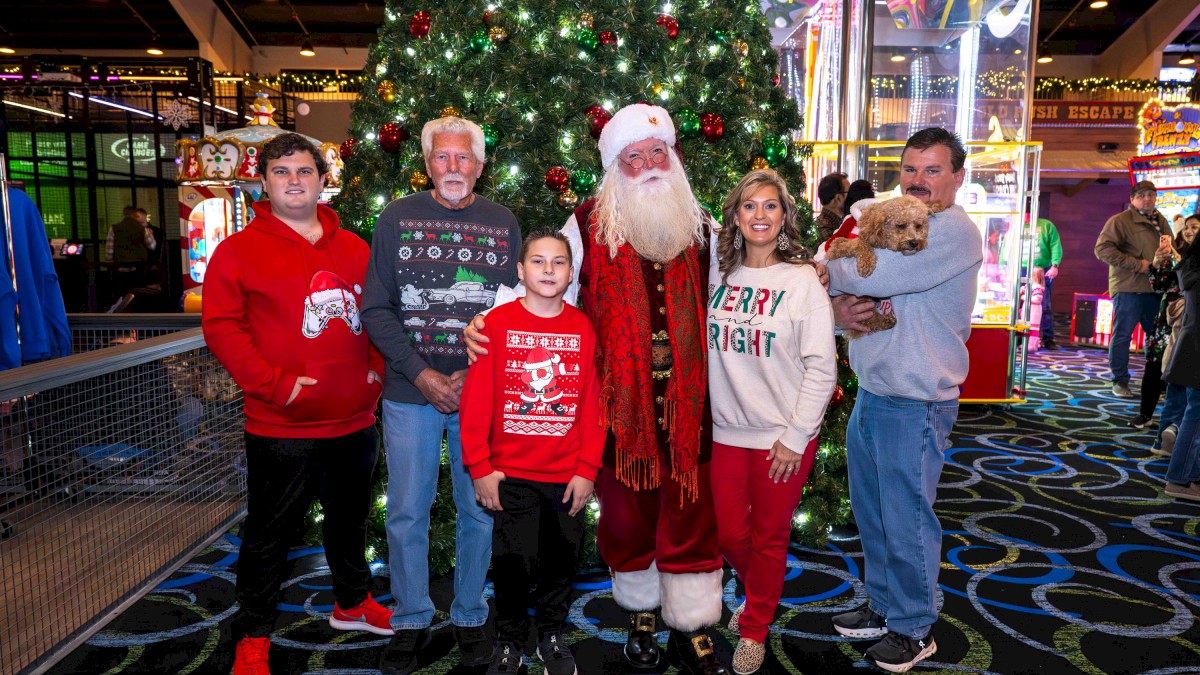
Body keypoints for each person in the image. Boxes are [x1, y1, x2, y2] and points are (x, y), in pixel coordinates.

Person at [465, 104, 732, 675]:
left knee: (691, 513)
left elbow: (737, 291)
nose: (649, 165)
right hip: (617, 408)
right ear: (615, 165)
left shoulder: (702, 224)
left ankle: (690, 623)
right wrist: (488, 323)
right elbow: (541, 281)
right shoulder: (585, 223)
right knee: (628, 518)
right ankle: (641, 614)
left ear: (674, 156)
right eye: (634, 157)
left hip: (689, 404)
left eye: (658, 153)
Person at [201, 133, 391, 675]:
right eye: (281, 171)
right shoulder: (237, 251)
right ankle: (254, 635)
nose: (293, 181)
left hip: (355, 421)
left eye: (303, 171)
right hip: (281, 425)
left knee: (349, 522)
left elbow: (377, 315)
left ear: (322, 180)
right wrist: (273, 384)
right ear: (264, 181)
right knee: (268, 535)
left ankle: (351, 602)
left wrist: (374, 373)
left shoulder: (355, 248)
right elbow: (221, 328)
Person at [361, 115, 521, 674]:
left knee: (480, 507)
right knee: (407, 509)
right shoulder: (396, 219)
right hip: (410, 392)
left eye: (463, 158)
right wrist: (422, 373)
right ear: (426, 163)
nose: (452, 168)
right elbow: (375, 309)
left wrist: (473, 378)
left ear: (480, 164)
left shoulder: (503, 223)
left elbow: (511, 311)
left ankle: (472, 614)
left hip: (481, 393)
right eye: (441, 157)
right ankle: (410, 617)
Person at [826, 127, 982, 673]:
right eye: (911, 170)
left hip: (916, 400)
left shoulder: (953, 230)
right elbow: (852, 279)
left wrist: (827, 266)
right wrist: (838, 291)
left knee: (907, 517)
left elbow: (872, 271)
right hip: (874, 389)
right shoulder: (903, 219)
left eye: (933, 171)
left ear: (958, 177)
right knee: (873, 514)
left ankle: (914, 628)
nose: (918, 182)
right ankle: (885, 604)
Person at [707, 169, 836, 674]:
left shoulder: (803, 281)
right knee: (729, 535)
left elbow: (822, 367)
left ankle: (756, 625)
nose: (759, 215)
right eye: (749, 206)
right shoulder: (720, 274)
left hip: (782, 436)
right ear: (735, 217)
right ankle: (762, 588)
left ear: (784, 216)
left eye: (770, 206)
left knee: (769, 537)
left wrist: (795, 437)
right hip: (724, 430)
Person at [459, 230, 604, 675]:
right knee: (513, 564)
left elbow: (593, 405)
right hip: (510, 475)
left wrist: (587, 470)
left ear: (570, 273)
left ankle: (553, 635)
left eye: (558, 262)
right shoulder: (495, 325)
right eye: (538, 262)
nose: (548, 270)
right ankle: (509, 639)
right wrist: (479, 466)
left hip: (567, 476)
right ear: (521, 272)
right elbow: (476, 401)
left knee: (561, 562)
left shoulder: (582, 327)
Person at [1094, 181, 1173, 399]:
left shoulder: (1161, 220)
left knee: (1157, 338)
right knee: (1122, 335)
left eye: (1151, 194)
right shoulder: (1120, 221)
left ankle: (1155, 382)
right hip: (1128, 287)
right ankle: (1119, 381)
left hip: (1156, 289)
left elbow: (1171, 249)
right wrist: (1138, 265)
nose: (1147, 199)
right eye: (1142, 195)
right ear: (1132, 199)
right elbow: (1102, 250)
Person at [1152, 217, 1198, 455]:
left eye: (1194, 228)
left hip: (1187, 326)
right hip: (1174, 324)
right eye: (1186, 227)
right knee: (1175, 385)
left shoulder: (1188, 257)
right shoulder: (1178, 255)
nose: (1188, 231)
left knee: (1180, 386)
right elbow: (1157, 285)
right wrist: (1157, 261)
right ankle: (1166, 438)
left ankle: (1172, 433)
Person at [1162, 221, 1200, 501]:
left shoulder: (1190, 264)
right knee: (1196, 413)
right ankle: (1179, 478)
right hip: (1196, 345)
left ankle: (1189, 475)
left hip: (1191, 344)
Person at [813, 179, 877, 264]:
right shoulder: (824, 227)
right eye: (849, 191)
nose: (854, 193)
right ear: (838, 198)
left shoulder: (844, 219)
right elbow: (833, 257)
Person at [105, 206, 156, 296]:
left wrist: (110, 264)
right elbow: (152, 246)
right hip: (139, 268)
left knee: (122, 294)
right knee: (138, 294)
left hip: (120, 268)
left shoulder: (114, 228)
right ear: (135, 215)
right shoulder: (142, 229)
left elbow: (109, 250)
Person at [1032, 216, 1063, 349]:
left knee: (1044, 304)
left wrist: (1055, 265)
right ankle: (1021, 338)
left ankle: (1048, 338)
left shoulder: (1046, 225)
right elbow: (1007, 244)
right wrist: (1003, 265)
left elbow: (1055, 245)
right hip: (1020, 268)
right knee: (1020, 305)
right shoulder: (1017, 222)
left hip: (1041, 269)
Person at [815, 172, 850, 241]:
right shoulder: (827, 231)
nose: (852, 196)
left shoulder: (833, 223)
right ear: (838, 198)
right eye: (849, 192)